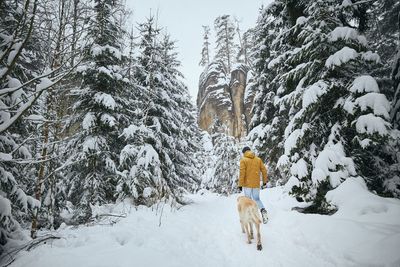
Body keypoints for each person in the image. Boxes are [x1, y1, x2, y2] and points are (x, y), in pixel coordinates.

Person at [238, 146, 268, 224]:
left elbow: (242, 173)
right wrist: (264, 181)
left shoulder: (243, 160)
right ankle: (263, 211)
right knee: (257, 199)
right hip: (256, 184)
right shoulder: (258, 159)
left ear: (244, 152)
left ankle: (251, 216)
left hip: (247, 184)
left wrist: (240, 184)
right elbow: (264, 170)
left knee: (248, 200)